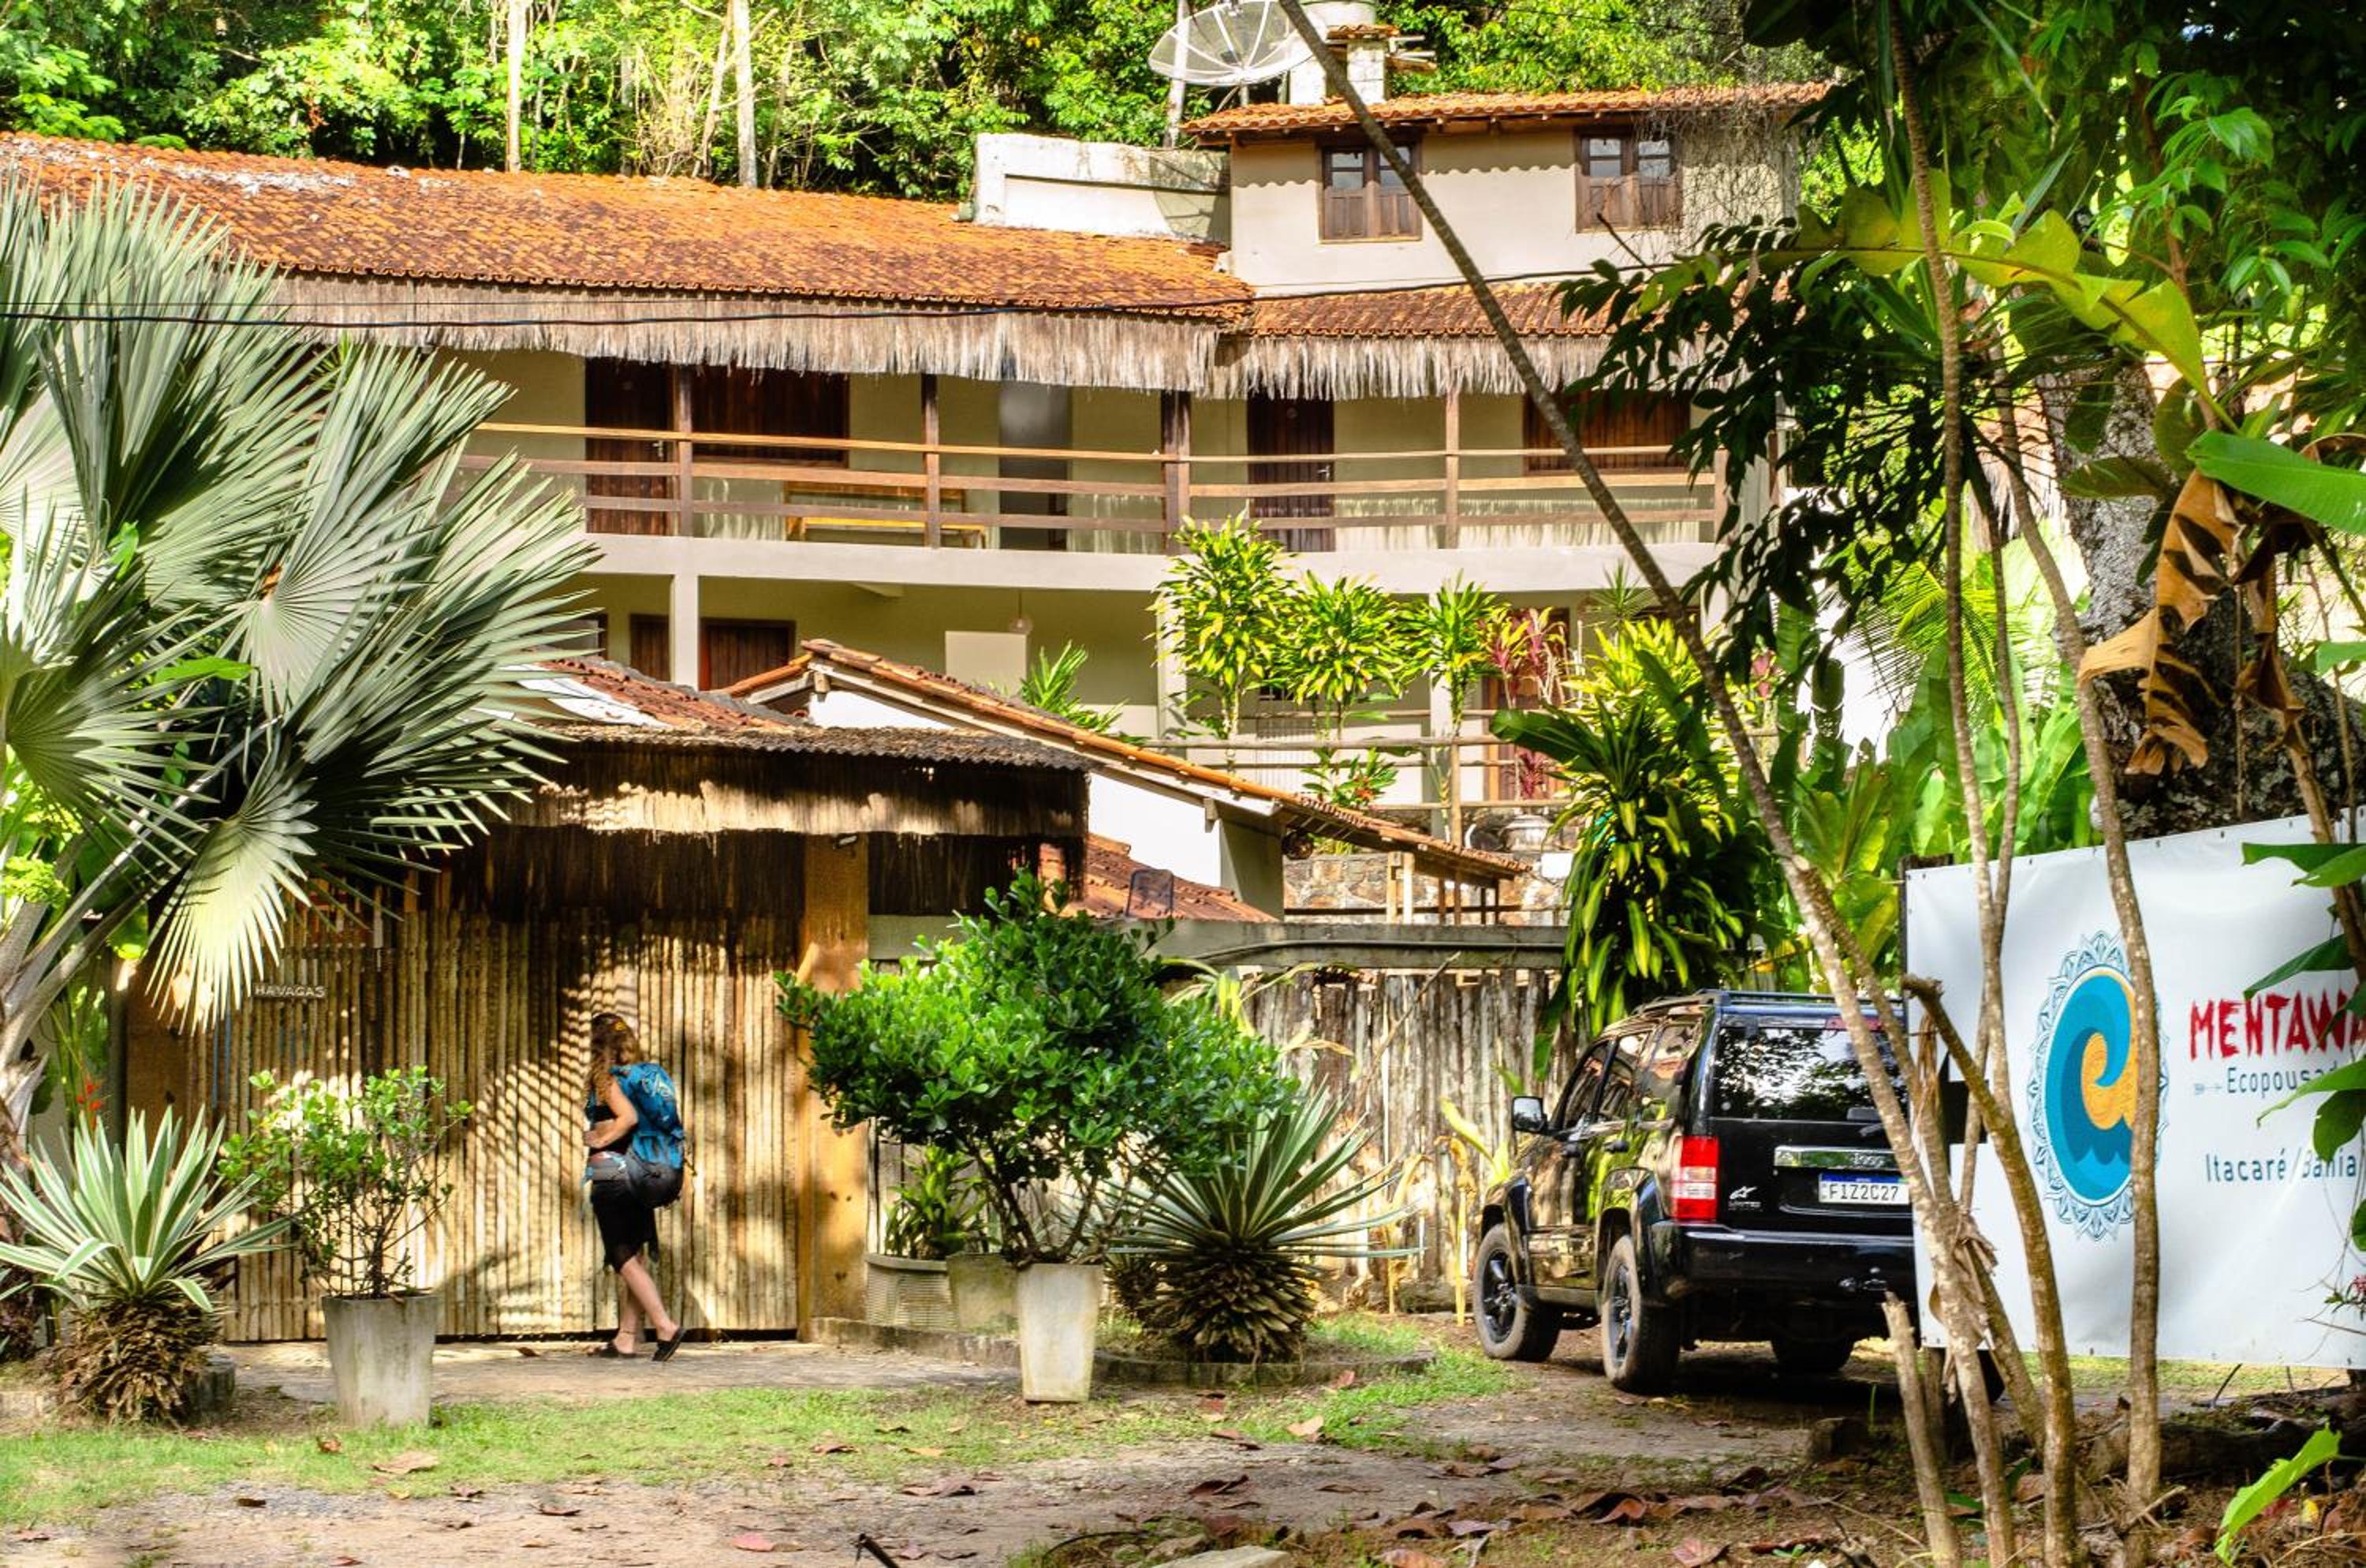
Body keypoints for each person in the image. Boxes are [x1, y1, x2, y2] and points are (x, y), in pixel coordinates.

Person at [581, 1011, 689, 1361]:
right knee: (635, 1254)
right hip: (643, 1169)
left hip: (613, 1171)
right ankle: (626, 1338)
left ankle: (665, 1325)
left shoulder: (607, 1078)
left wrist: (599, 1140)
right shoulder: (641, 1076)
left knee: (622, 1256)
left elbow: (628, 1119)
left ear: (597, 1045)